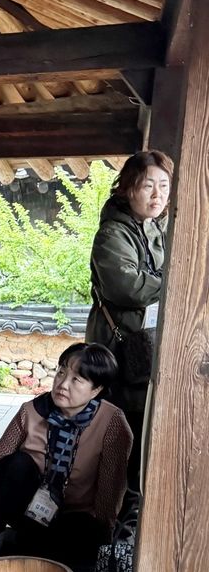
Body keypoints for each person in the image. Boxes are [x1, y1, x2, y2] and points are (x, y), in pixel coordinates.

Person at [0, 343, 132, 568]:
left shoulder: (112, 422)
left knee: (79, 542)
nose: (63, 384)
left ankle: (20, 544)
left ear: (96, 389)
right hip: (28, 512)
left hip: (74, 517)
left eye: (76, 380)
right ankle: (5, 535)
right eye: (61, 372)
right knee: (15, 464)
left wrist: (103, 534)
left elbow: (111, 485)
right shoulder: (31, 410)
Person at [85, 150, 173, 489]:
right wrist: (174, 280)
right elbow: (129, 287)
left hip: (145, 351)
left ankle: (128, 518)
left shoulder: (156, 229)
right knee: (117, 435)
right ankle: (106, 517)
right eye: (148, 185)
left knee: (142, 436)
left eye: (164, 186)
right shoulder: (113, 234)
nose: (157, 195)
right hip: (118, 352)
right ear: (127, 188)